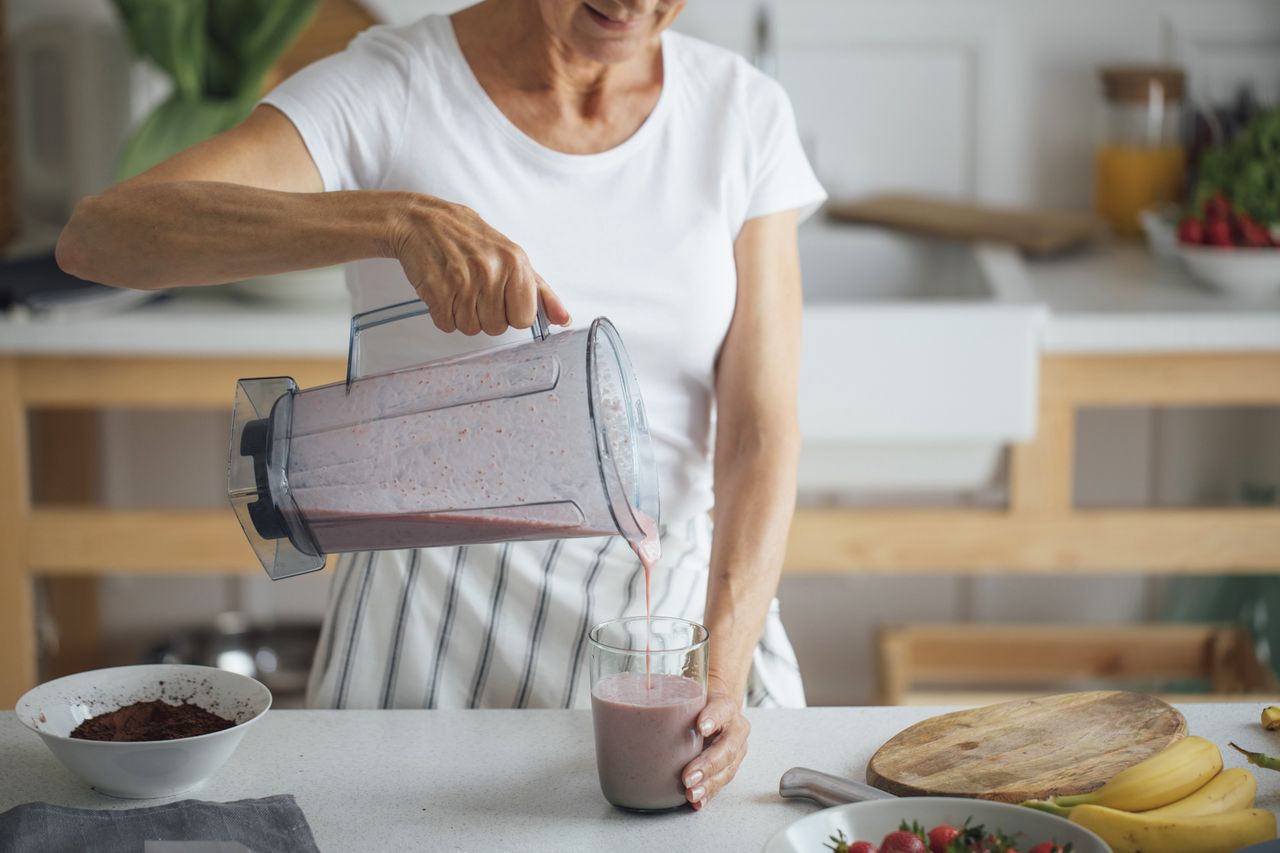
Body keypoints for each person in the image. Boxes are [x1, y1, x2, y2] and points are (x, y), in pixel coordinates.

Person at [56, 0, 825, 809]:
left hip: (672, 626)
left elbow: (758, 435)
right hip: (427, 622)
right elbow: (101, 236)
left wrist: (720, 676)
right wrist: (393, 217)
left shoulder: (740, 113)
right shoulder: (396, 83)